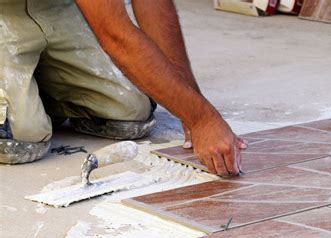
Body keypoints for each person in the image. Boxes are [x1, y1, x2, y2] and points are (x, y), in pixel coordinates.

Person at [0, 0, 246, 176]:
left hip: (54, 7)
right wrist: (204, 120)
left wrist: (192, 107)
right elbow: (115, 36)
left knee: (130, 112)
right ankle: (20, 96)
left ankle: (30, 88)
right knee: (21, 140)